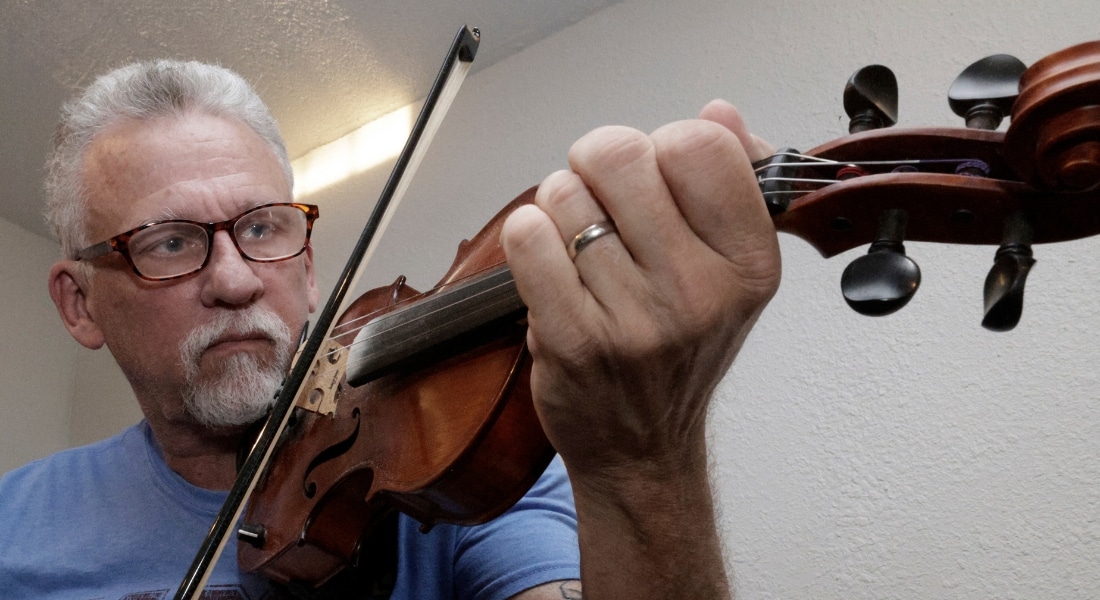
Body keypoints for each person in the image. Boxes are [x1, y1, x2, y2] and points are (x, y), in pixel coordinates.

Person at [0, 59, 780, 600]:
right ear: (79, 303)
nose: (237, 279)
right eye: (169, 242)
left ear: (310, 269)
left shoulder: (456, 470)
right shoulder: (15, 528)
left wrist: (643, 464)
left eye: (265, 228)